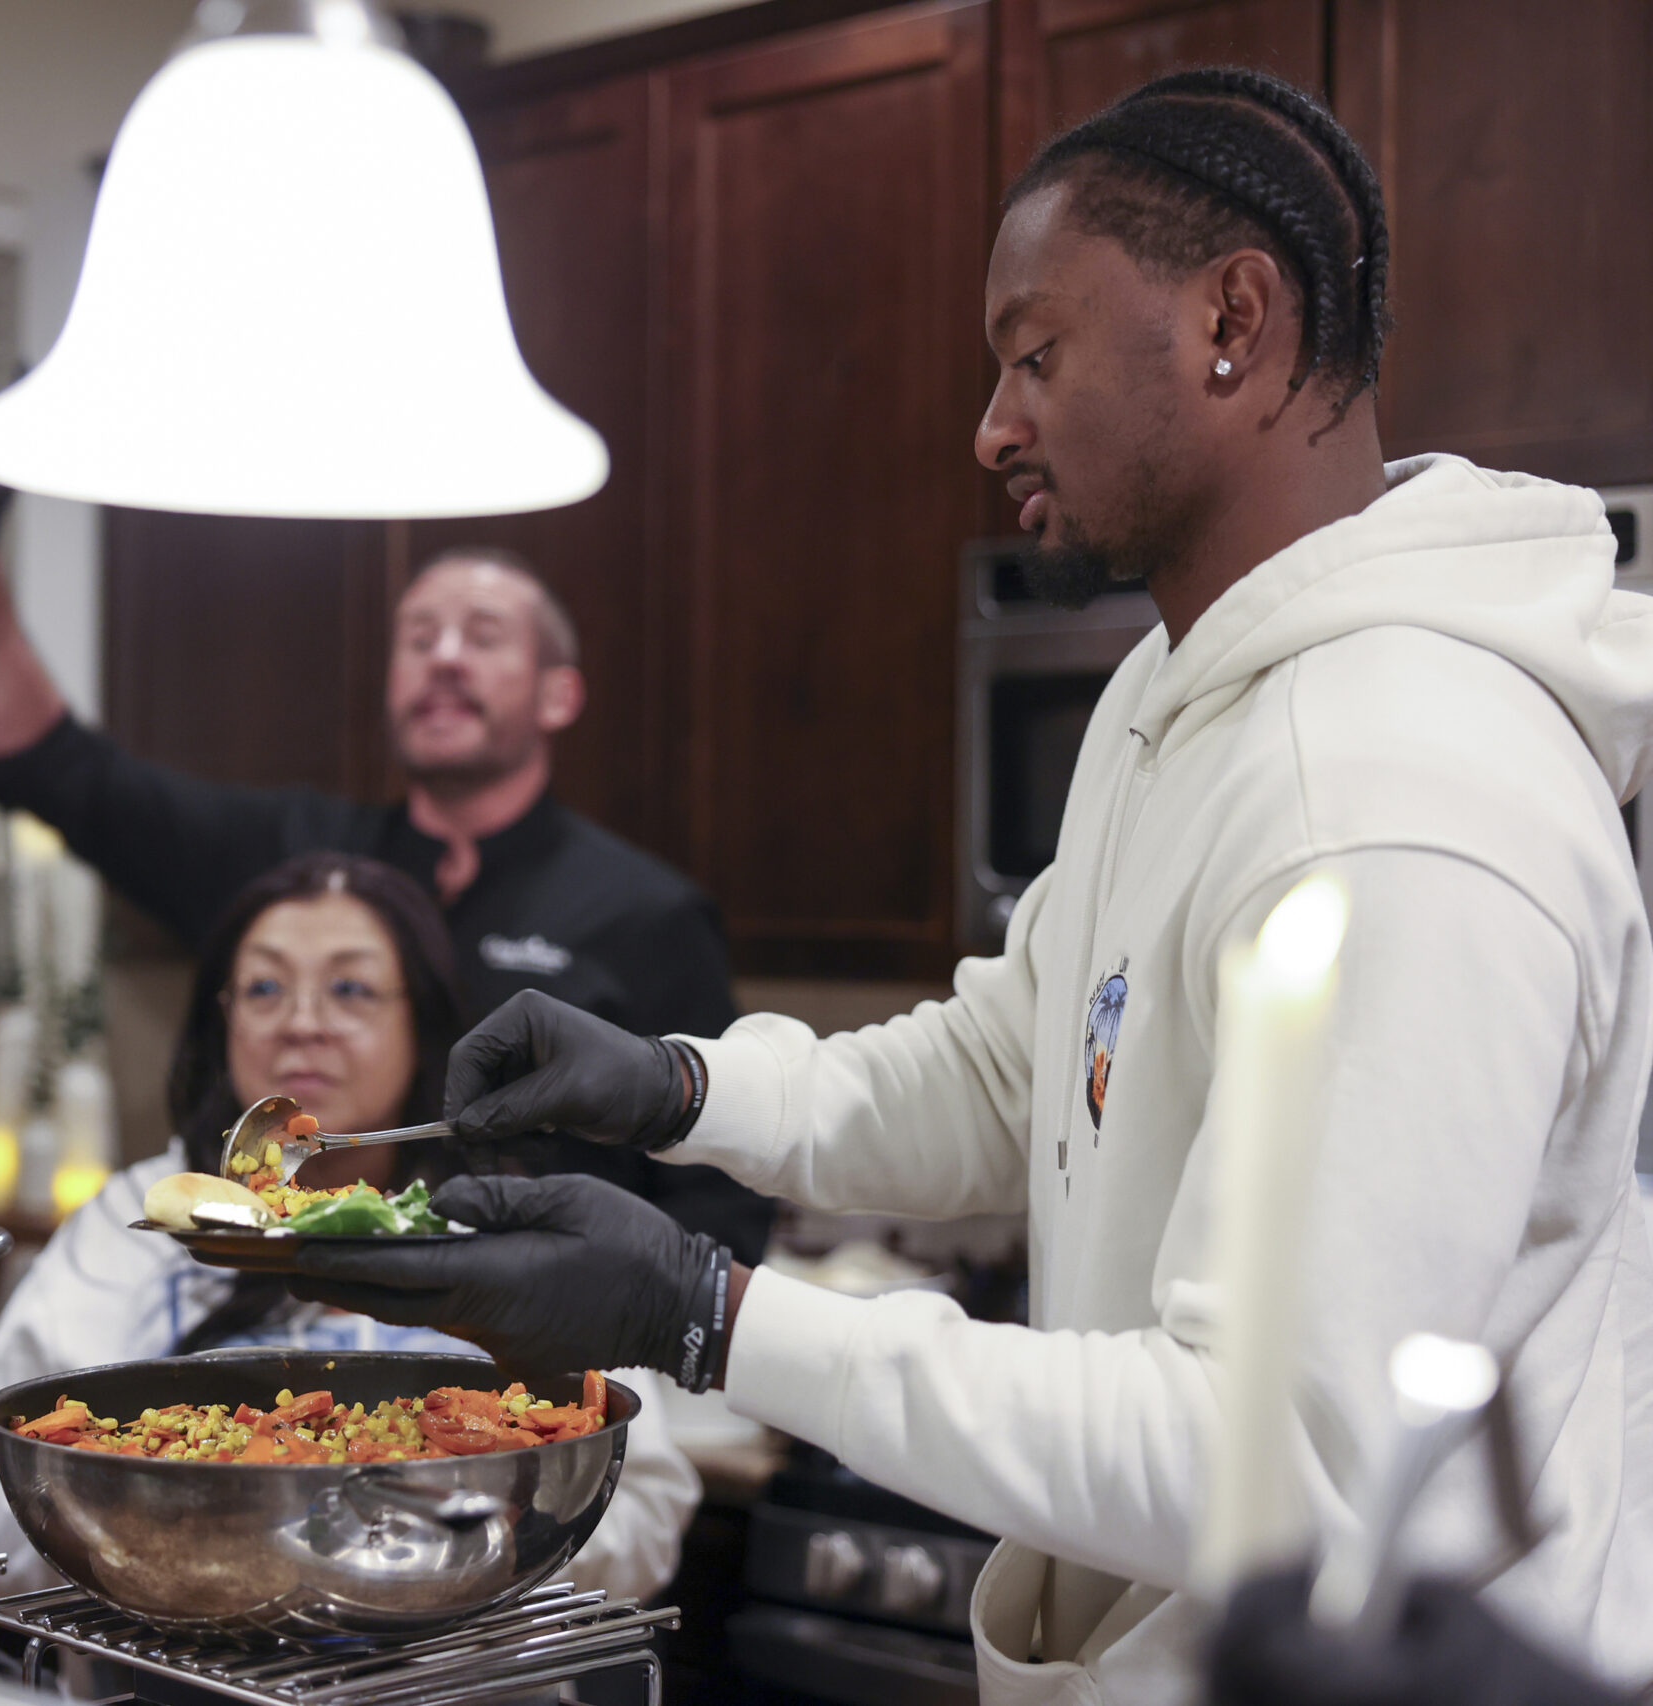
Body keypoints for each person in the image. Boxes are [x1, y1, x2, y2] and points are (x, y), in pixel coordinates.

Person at [282, 69, 1653, 1702]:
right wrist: (678, 1085)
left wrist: (712, 1314)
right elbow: (1020, 1068)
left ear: (1233, 319)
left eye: (1033, 354)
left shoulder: (1402, 794)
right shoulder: (1173, 698)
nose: (989, 426)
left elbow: (1273, 1454)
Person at [0, 432, 771, 1262]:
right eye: (417, 638)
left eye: (481, 637)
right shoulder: (301, 869)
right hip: (303, 1310)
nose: (443, 659)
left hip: (570, 1347)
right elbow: (50, 768)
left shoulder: (648, 915)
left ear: (560, 693)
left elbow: (723, 1203)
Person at [0, 851, 697, 1601]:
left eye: (351, 989)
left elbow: (645, 1511)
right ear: (226, 1016)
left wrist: (474, 1553)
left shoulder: (516, 1223)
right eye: (266, 987)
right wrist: (159, 1551)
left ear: (423, 1020)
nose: (303, 1023)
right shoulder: (136, 1216)